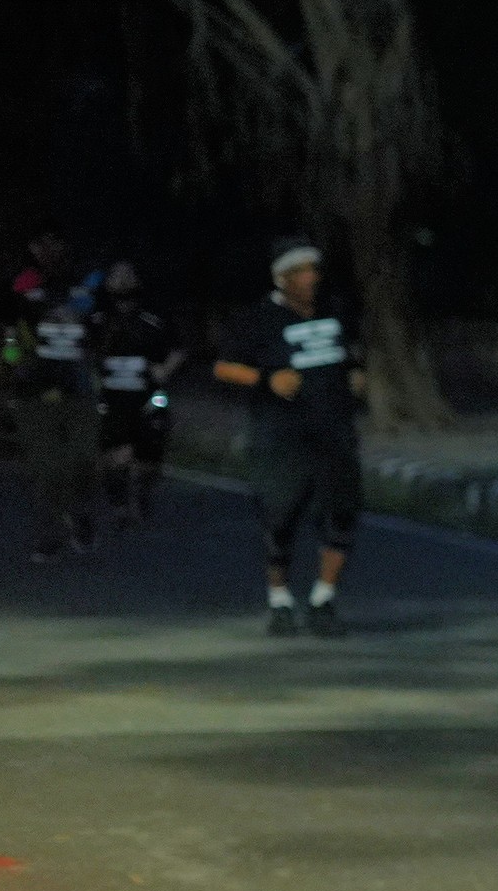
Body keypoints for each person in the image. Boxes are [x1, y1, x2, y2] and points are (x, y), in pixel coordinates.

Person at [212, 240, 366, 632]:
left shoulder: (334, 309)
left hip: (334, 432)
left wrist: (355, 375)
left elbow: (352, 351)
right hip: (281, 437)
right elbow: (223, 368)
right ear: (282, 278)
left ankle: (323, 600)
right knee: (280, 519)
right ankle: (279, 600)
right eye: (301, 272)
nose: (311, 278)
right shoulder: (259, 318)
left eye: (314, 270)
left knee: (340, 516)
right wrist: (267, 380)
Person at [6, 233, 100, 562]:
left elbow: (102, 337)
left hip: (79, 390)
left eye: (55, 244)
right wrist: (16, 362)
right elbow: (10, 338)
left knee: (83, 459)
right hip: (36, 393)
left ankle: (78, 512)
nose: (47, 251)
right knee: (47, 467)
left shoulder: (85, 290)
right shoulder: (22, 288)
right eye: (40, 244)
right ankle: (50, 535)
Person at [94, 260, 183, 526]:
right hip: (112, 399)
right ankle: (119, 504)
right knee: (114, 456)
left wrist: (165, 369)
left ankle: (141, 496)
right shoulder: (99, 319)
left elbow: (179, 348)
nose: (122, 281)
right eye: (116, 276)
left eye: (127, 275)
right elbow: (85, 351)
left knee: (149, 459)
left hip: (149, 398)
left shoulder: (153, 318)